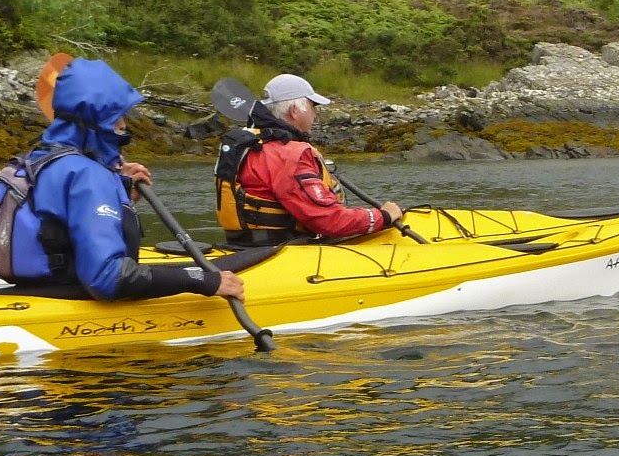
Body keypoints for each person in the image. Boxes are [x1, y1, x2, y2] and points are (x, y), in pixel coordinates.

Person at [20, 57, 244, 302]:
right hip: (72, 301)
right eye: (118, 116)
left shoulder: (36, 160)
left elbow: (59, 222)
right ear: (100, 121)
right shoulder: (88, 174)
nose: (124, 125)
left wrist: (120, 195)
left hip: (39, 289)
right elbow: (109, 278)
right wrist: (203, 280)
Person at [215, 73, 403, 246]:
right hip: (282, 250)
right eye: (313, 107)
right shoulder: (289, 154)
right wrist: (383, 216)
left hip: (244, 246)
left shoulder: (251, 145)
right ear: (295, 111)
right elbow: (329, 221)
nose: (315, 115)